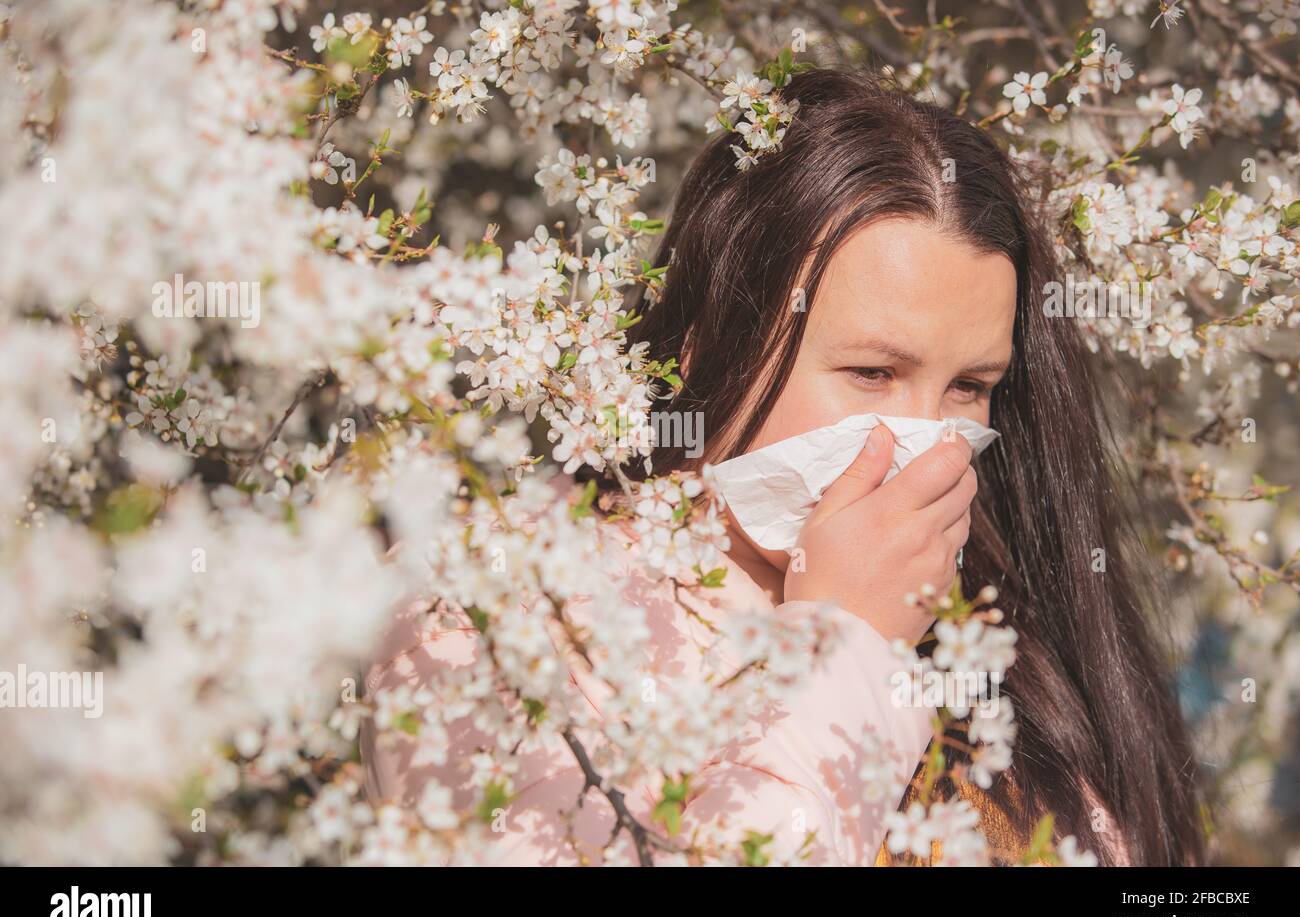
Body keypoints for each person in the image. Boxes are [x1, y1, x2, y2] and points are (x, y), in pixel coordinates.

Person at [363, 67, 1204, 866]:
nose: (923, 443)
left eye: (969, 387)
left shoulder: (993, 628)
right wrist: (845, 647)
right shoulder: (489, 607)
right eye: (872, 372)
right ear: (706, 346)